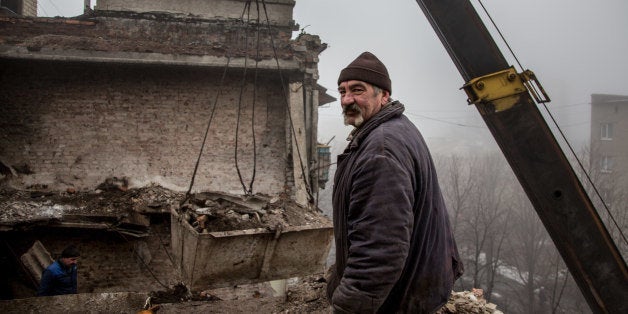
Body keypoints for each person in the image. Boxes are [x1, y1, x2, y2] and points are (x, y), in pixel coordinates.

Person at [327, 52, 464, 313]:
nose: (347, 100)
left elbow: (379, 249)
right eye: (343, 91)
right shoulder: (394, 127)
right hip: (414, 285)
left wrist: (347, 307)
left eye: (358, 90)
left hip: (400, 296)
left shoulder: (381, 150)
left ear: (384, 95)